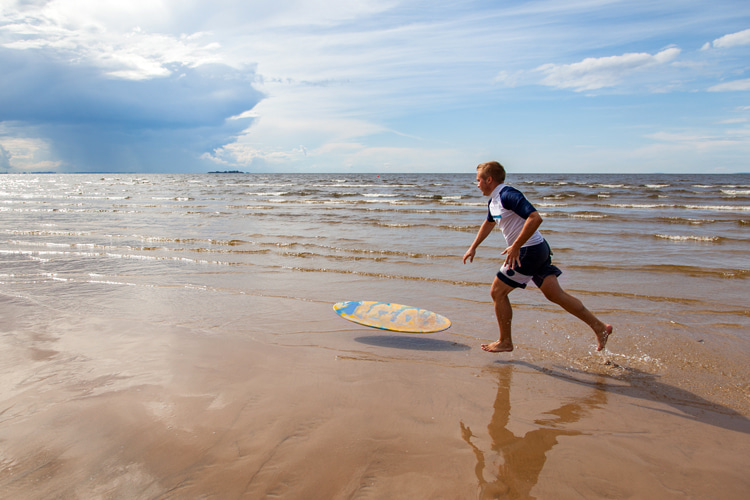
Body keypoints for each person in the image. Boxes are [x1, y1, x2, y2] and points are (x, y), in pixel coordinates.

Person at [462, 161, 612, 353]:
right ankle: (600, 327)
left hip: (529, 251)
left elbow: (535, 217)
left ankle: (505, 341)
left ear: (489, 180)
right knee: (555, 294)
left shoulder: (508, 194)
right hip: (538, 248)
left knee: (498, 292)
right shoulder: (494, 201)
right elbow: (489, 223)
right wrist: (473, 247)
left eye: (479, 180)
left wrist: (516, 246)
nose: (477, 185)